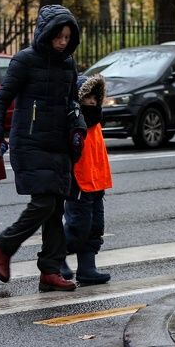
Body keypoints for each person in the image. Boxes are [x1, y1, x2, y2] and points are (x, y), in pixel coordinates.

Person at [0, 4, 85, 293]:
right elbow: (2, 99)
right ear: (46, 33)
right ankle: (4, 246)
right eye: (58, 36)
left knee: (56, 209)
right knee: (43, 203)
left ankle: (50, 271)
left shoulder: (68, 63)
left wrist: (77, 124)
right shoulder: (25, 61)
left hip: (59, 144)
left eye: (67, 37)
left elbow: (71, 101)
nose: (62, 42)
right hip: (29, 143)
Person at [61, 74, 112, 284]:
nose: (91, 101)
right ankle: (56, 257)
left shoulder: (96, 120)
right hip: (80, 182)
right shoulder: (74, 120)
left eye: (94, 97)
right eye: (87, 97)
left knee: (95, 227)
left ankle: (87, 268)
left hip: (97, 182)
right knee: (78, 226)